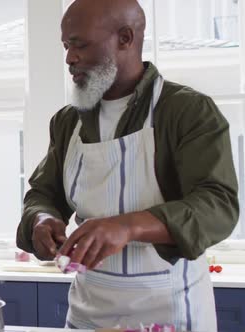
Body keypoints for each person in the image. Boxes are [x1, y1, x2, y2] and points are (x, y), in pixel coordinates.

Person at [16, 0, 238, 330]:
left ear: (125, 38)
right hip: (88, 310)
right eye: (66, 46)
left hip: (170, 309)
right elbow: (42, 193)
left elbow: (218, 205)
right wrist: (42, 219)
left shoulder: (187, 111)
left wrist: (128, 226)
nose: (69, 58)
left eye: (81, 44)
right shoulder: (67, 122)